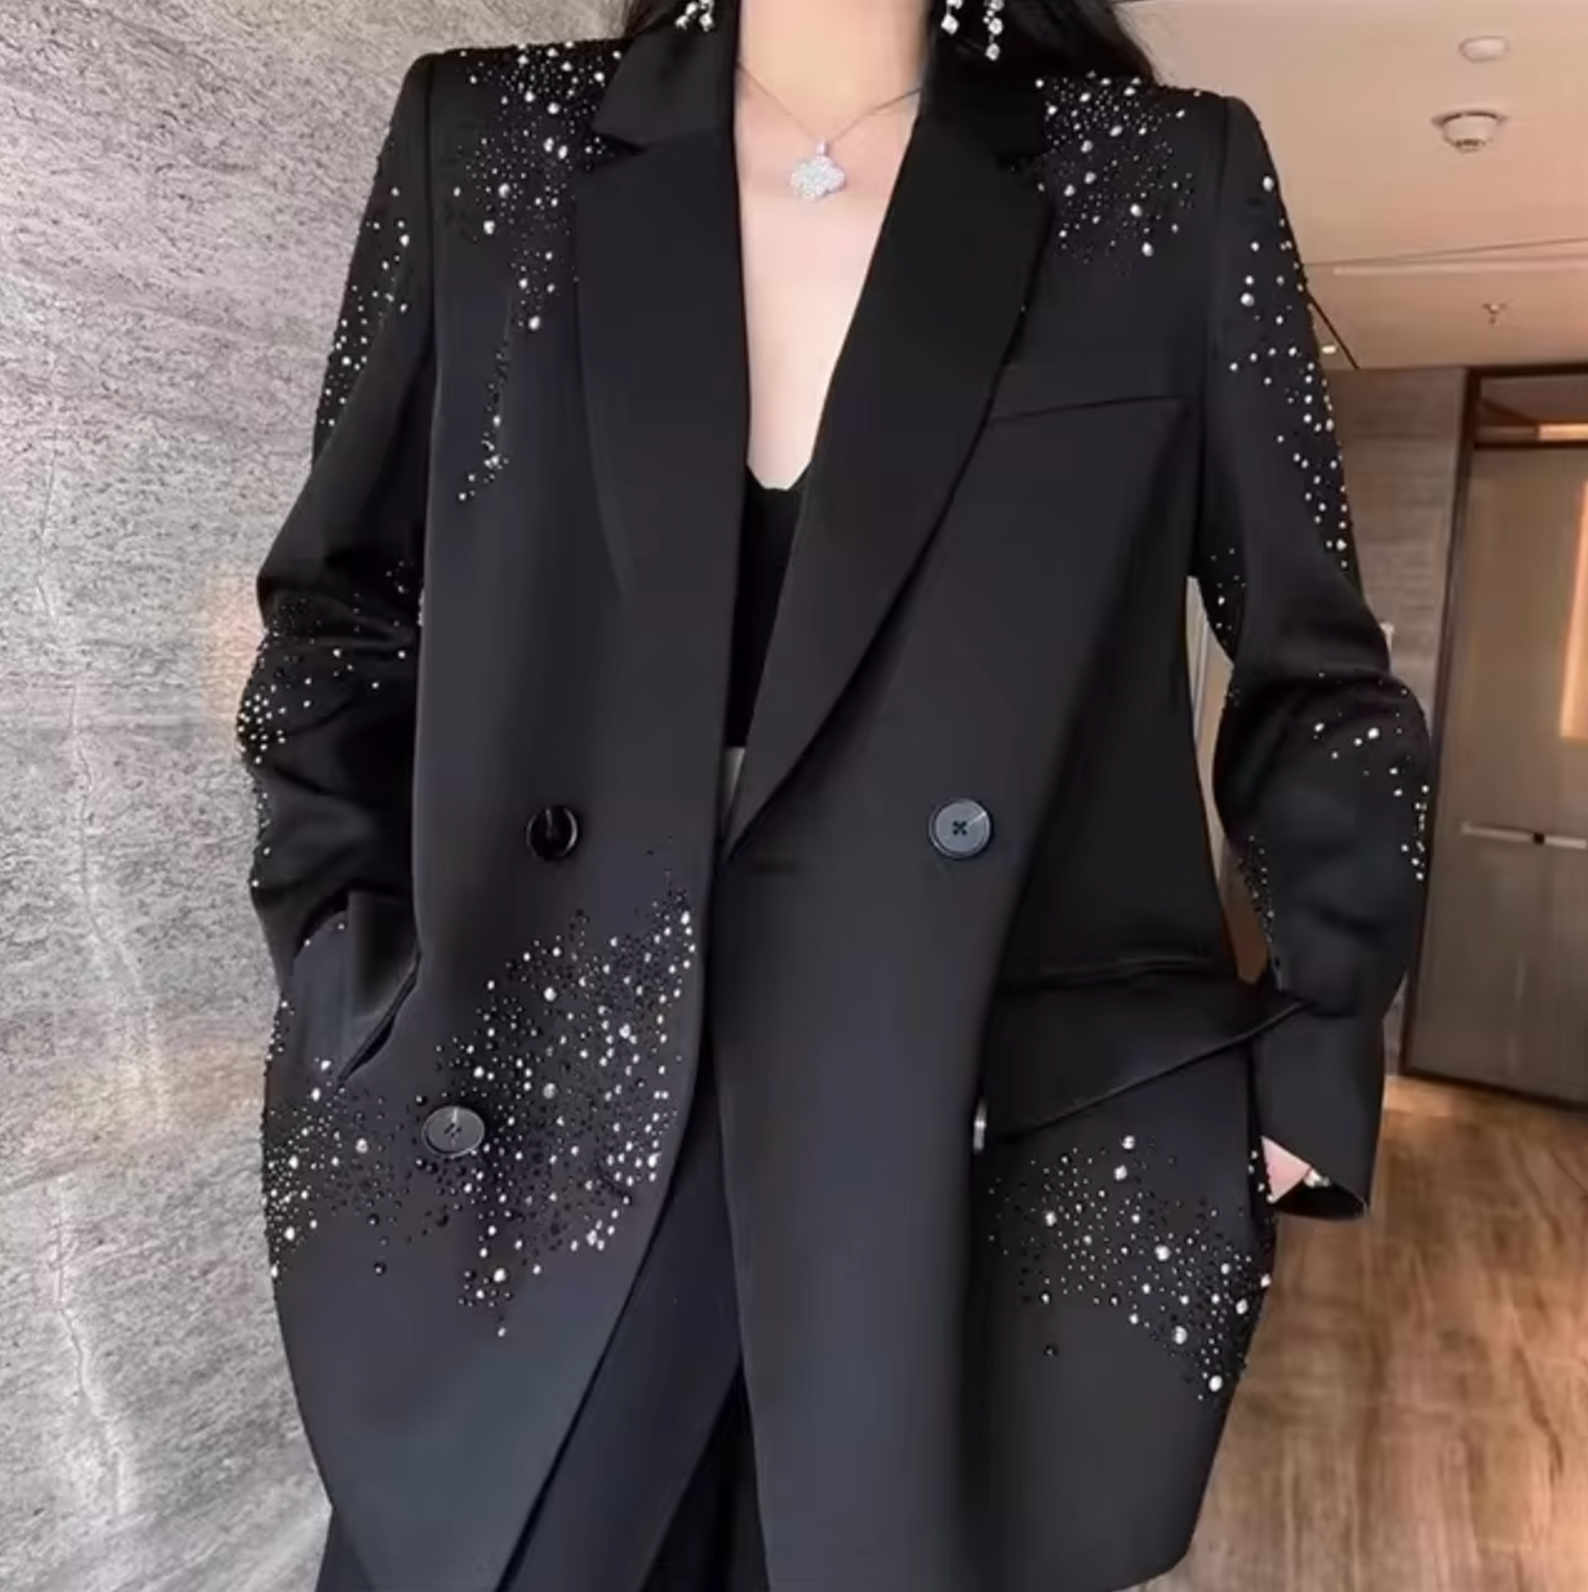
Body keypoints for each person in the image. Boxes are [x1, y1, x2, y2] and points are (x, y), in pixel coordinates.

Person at [237, 0, 1432, 1587]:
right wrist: (353, 979)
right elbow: (337, 614)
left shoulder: (1161, 184)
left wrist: (1306, 1070)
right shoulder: (491, 142)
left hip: (964, 1137)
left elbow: (1316, 669)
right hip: (540, 1105)